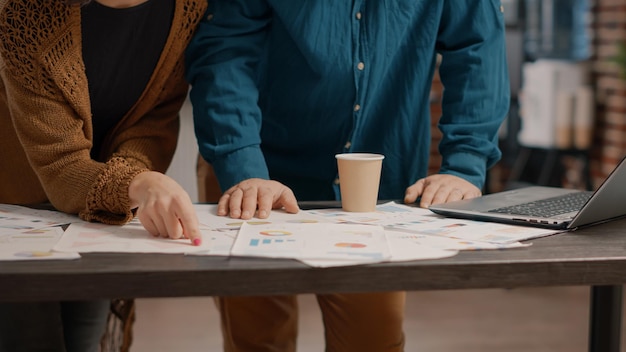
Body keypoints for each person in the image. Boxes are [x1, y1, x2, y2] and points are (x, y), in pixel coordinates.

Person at [186, 1, 510, 351]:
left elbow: (477, 45)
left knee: (371, 341)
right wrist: (243, 166)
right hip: (253, 170)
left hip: (375, 188)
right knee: (257, 342)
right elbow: (225, 49)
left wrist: (464, 165)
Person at [0, 0, 207, 351]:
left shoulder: (189, 7)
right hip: (15, 204)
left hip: (98, 206)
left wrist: (128, 177)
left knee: (87, 341)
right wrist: (136, 183)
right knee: (33, 340)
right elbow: (60, 164)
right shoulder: (25, 10)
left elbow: (154, 118)